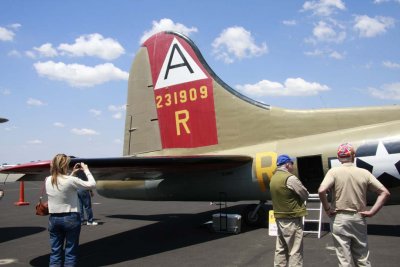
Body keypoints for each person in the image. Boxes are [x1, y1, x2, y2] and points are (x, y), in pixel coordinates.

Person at [318, 143, 390, 267]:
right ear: (353, 156)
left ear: (338, 157)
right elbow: (385, 193)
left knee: (344, 260)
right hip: (358, 217)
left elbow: (321, 190)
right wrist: (372, 212)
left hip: (339, 218)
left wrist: (327, 208)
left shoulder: (333, 172)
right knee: (362, 258)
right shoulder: (364, 173)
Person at [45, 154, 96, 267]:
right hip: (71, 218)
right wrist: (86, 170)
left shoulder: (48, 180)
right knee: (70, 252)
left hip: (54, 219)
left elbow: (62, 182)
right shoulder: (71, 180)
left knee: (55, 252)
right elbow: (92, 184)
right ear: (65, 165)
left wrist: (73, 173)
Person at [269, 154, 309, 267]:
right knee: (295, 250)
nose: (293, 166)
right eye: (292, 164)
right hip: (292, 219)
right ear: (287, 164)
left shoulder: (274, 178)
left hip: (279, 218)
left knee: (280, 249)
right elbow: (305, 194)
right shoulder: (290, 178)